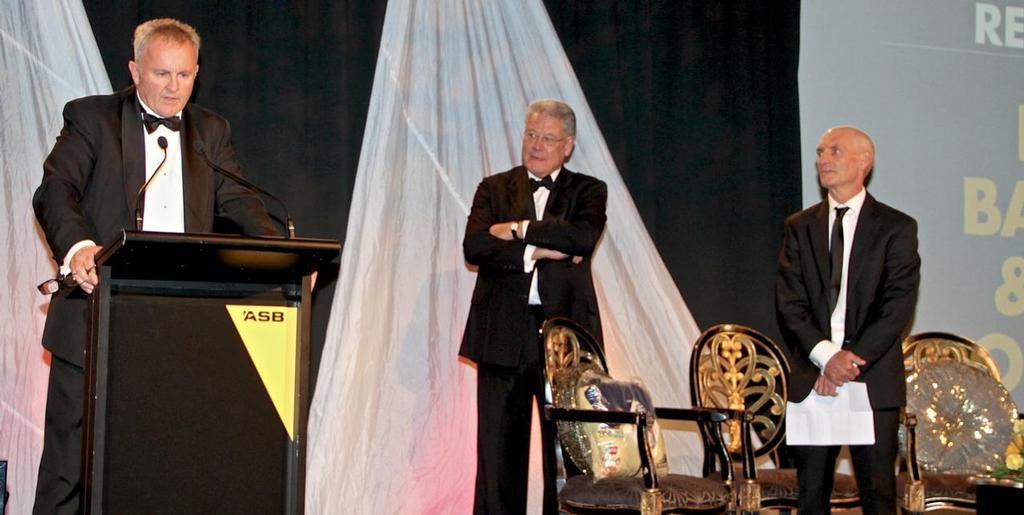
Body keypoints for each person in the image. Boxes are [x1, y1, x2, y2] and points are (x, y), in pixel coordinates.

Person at [32, 18, 279, 514]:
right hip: (93, 319)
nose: (174, 87)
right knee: (68, 471)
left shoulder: (210, 131)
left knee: (157, 464)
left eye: (184, 75)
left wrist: (280, 253)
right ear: (135, 70)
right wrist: (79, 246)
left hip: (174, 327)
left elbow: (241, 201)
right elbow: (55, 190)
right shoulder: (91, 118)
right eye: (162, 74)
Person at [460, 99, 607, 514]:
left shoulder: (590, 190)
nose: (536, 145)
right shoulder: (494, 187)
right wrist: (538, 252)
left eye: (547, 137)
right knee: (497, 457)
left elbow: (581, 237)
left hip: (566, 339)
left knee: (569, 456)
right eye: (530, 135)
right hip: (502, 332)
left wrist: (518, 230)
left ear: (568, 145)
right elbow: (475, 245)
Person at [775, 126, 920, 515]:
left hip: (870, 380)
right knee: (811, 500)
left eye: (835, 151)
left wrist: (849, 360)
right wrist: (826, 356)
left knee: (879, 499)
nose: (823, 159)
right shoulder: (799, 226)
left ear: (863, 161)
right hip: (814, 378)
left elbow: (897, 307)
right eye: (821, 152)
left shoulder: (896, 227)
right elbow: (790, 302)